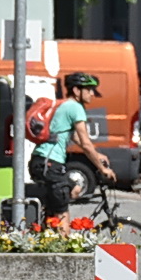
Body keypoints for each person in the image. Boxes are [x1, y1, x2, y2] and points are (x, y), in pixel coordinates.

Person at [29, 71, 116, 217]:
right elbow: (86, 142)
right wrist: (102, 169)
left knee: (54, 207)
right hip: (50, 163)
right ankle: (63, 237)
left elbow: (75, 137)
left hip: (41, 161)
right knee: (67, 201)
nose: (92, 94)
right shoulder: (76, 107)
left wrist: (97, 154)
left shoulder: (64, 106)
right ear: (76, 90)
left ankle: (48, 230)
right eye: (89, 90)